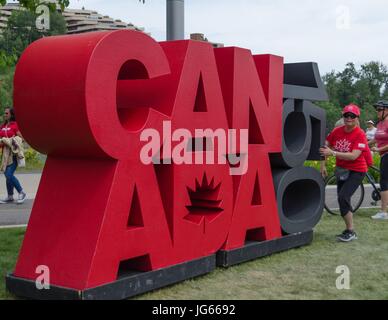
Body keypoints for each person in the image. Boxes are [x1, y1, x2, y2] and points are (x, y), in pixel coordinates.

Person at [320, 104, 368, 242]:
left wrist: (333, 153)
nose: (349, 118)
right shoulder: (337, 131)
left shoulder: (360, 134)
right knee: (343, 200)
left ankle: (351, 231)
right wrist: (322, 166)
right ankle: (348, 230)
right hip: (342, 170)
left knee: (343, 197)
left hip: (357, 171)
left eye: (352, 116)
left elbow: (354, 156)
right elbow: (325, 147)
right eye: (346, 115)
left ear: (357, 118)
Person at [0, 108, 26, 204]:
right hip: (5, 155)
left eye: (6, 113)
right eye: (4, 113)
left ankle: (21, 192)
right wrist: (2, 142)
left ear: (11, 114)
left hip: (13, 154)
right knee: (7, 174)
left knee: (8, 174)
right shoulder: (2, 126)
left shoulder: (15, 125)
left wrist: (11, 141)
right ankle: (10, 196)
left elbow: (21, 139)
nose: (5, 114)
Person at [370, 101, 388, 220]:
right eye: (377, 109)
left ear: (386, 111)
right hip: (383, 155)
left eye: (379, 109)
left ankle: (383, 212)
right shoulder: (381, 123)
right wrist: (362, 145)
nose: (377, 111)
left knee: (384, 182)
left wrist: (378, 149)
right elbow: (376, 139)